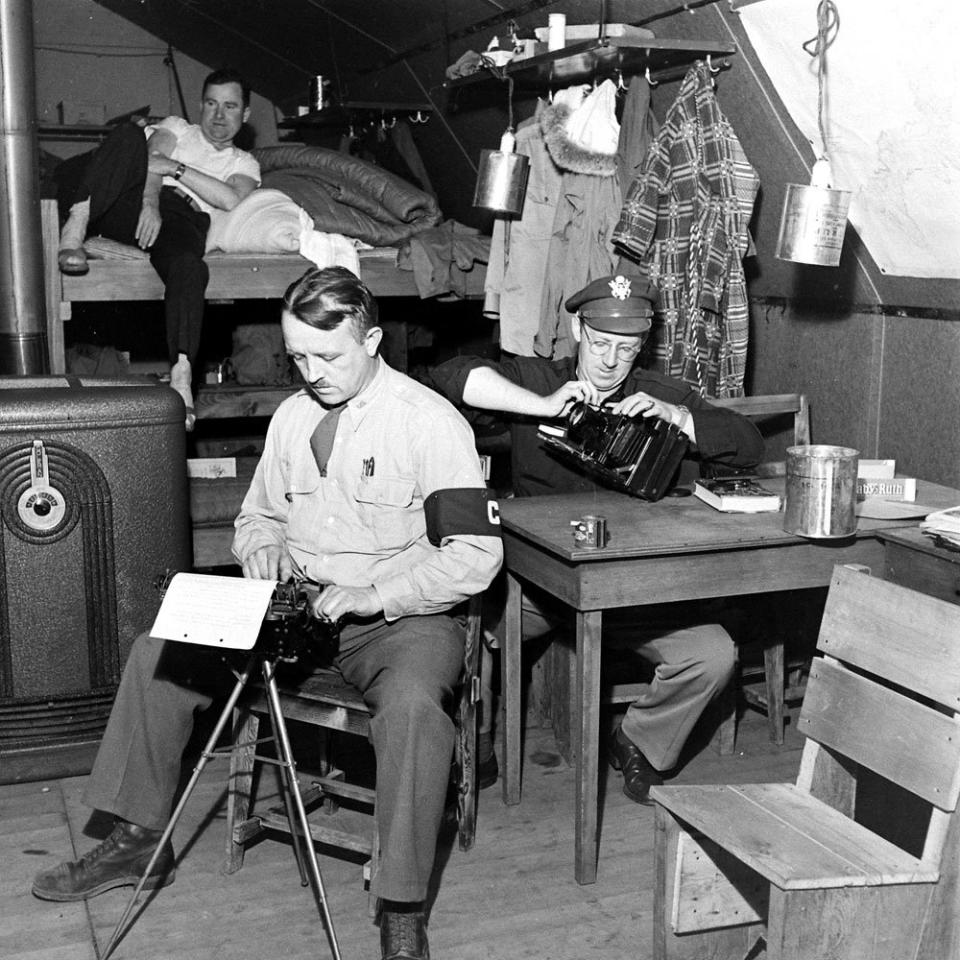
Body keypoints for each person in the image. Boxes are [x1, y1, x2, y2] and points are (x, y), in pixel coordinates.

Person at [32, 266, 504, 960]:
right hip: (298, 604)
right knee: (158, 652)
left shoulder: (430, 424)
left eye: (329, 356)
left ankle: (400, 905)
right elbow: (256, 515)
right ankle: (136, 841)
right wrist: (261, 546)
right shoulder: (293, 417)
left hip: (400, 617)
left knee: (411, 709)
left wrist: (376, 595)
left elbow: (476, 555)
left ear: (372, 339)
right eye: (299, 357)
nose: (312, 373)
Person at [430, 273, 764, 802]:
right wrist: (541, 406)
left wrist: (677, 417)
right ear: (576, 330)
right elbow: (449, 377)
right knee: (469, 634)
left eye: (626, 349)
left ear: (643, 346)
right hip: (535, 588)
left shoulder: (658, 395)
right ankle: (481, 742)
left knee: (713, 655)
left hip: (628, 591)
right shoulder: (537, 379)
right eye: (601, 343)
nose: (610, 361)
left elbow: (747, 445)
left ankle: (636, 740)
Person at [56, 67, 262, 429]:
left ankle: (182, 372)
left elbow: (229, 198)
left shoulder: (244, 163)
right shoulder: (178, 127)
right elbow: (150, 158)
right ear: (200, 105)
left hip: (184, 216)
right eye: (211, 104)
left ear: (244, 115)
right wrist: (150, 200)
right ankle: (76, 224)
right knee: (127, 134)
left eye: (230, 107)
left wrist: (177, 168)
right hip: (137, 203)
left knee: (189, 266)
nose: (218, 116)